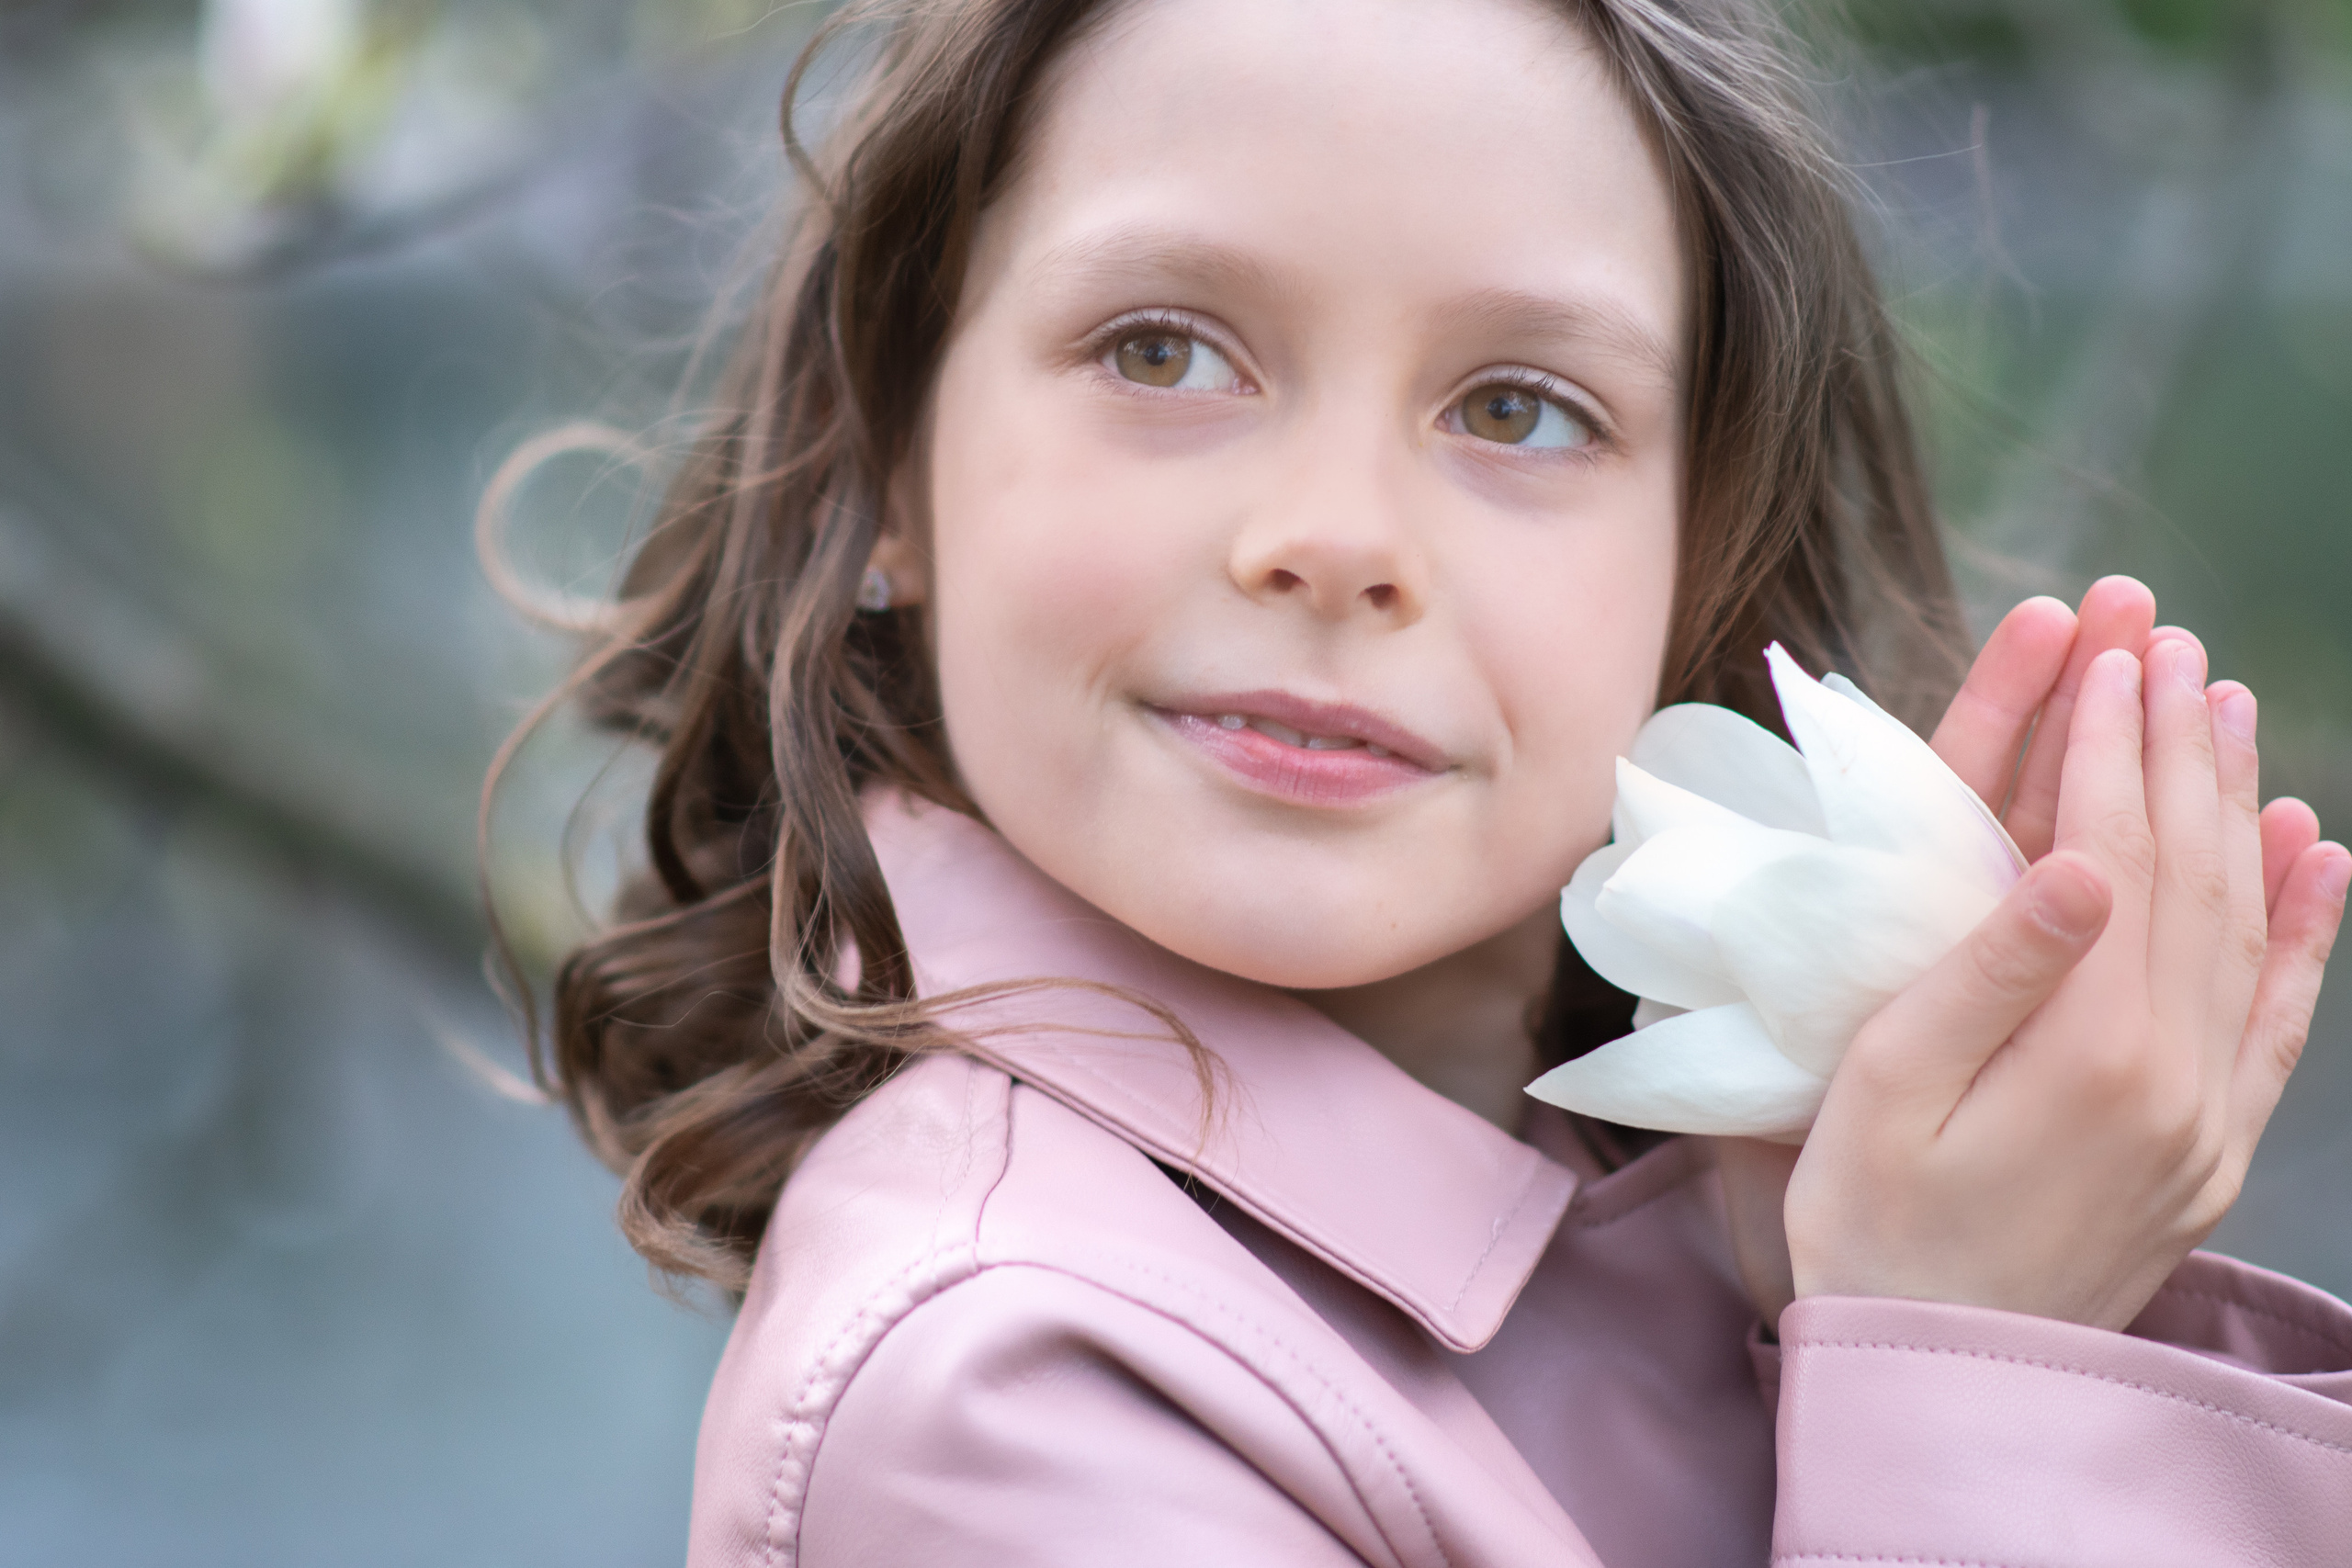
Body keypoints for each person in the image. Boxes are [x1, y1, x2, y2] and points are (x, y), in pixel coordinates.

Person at [503, 0, 2352, 1562]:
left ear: (1699, 558)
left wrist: (1894, 1281)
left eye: (1516, 408)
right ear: (883, 470)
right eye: (1163, 351)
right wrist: (1966, 1361)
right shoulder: (993, 1394)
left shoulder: (1731, 1211)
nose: (1334, 538)